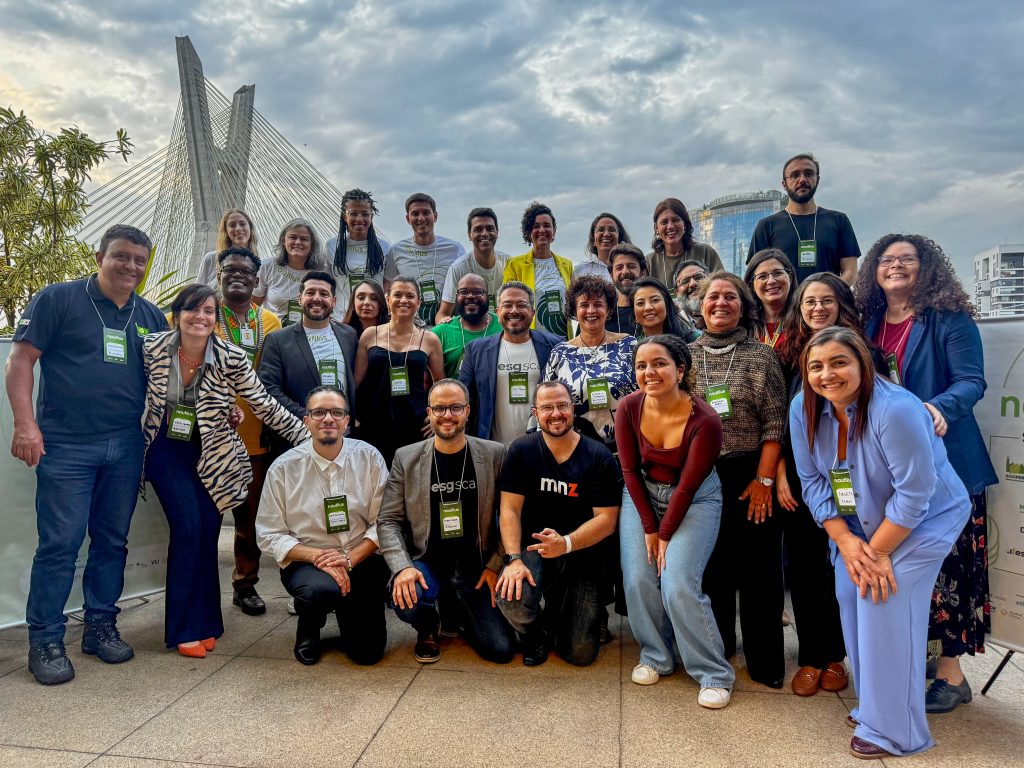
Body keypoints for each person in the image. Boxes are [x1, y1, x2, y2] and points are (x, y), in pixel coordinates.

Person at [790, 326, 970, 759]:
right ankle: (875, 705)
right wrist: (847, 543)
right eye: (816, 366)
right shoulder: (803, 407)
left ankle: (896, 731)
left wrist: (877, 552)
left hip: (922, 521)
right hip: (855, 524)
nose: (826, 374)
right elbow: (812, 480)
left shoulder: (896, 409)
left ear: (862, 365)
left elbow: (914, 496)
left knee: (881, 600)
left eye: (838, 363)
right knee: (849, 595)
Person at [7, 224, 168, 685]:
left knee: (112, 541)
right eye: (121, 256)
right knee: (59, 544)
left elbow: (171, 377)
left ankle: (100, 626)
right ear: (100, 256)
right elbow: (20, 360)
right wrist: (25, 424)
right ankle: (46, 639)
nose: (131, 266)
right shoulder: (57, 299)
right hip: (66, 445)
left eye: (139, 260)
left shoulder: (150, 316)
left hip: (125, 443)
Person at [855, 233, 998, 713]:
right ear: (874, 270)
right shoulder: (869, 322)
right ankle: (922, 661)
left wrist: (935, 408)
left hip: (947, 463)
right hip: (892, 469)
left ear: (927, 267)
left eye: (907, 259)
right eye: (887, 260)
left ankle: (952, 675)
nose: (895, 266)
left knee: (952, 569)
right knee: (908, 569)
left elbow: (972, 381)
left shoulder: (947, 319)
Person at [142, 284, 307, 657]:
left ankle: (206, 622)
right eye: (192, 310)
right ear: (176, 314)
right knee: (187, 527)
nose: (200, 317)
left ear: (216, 319)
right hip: (166, 450)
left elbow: (263, 404)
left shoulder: (230, 356)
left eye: (208, 311)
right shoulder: (152, 348)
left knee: (207, 531)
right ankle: (183, 629)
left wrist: (308, 439)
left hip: (212, 452)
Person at [615, 335, 736, 708]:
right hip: (642, 495)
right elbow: (629, 472)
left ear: (680, 370)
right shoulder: (628, 407)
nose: (649, 372)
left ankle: (714, 672)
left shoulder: (706, 419)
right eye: (641, 365)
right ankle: (656, 655)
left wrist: (664, 534)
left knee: (678, 581)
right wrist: (650, 527)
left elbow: (687, 486)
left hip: (695, 497)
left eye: (660, 364)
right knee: (638, 578)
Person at [691, 272, 788, 688]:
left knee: (760, 573)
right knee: (711, 570)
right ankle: (719, 649)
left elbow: (775, 423)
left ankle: (765, 661)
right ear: (700, 306)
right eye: (713, 296)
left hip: (751, 473)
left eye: (730, 296)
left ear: (743, 306)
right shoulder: (686, 356)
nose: (721, 303)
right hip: (701, 475)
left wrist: (764, 480)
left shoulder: (762, 357)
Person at [378, 379, 516, 663]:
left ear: (467, 411)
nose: (447, 415)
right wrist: (402, 567)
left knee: (501, 650)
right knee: (406, 596)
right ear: (428, 413)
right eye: (439, 408)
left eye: (455, 407)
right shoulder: (407, 457)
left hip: (476, 566)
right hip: (427, 561)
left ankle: (459, 609)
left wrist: (495, 564)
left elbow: (510, 514)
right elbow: (388, 520)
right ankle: (427, 623)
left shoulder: (494, 453)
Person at [256, 386, 391, 665]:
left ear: (347, 421)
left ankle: (348, 612)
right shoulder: (283, 468)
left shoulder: (370, 458)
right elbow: (268, 534)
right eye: (318, 412)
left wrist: (349, 559)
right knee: (319, 590)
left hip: (361, 556)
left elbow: (385, 521)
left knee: (367, 654)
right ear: (307, 421)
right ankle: (309, 625)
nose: (327, 418)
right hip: (309, 562)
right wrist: (318, 557)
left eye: (336, 412)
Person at [496, 381, 622, 666]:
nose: (556, 413)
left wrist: (565, 543)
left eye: (562, 405)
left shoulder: (598, 455)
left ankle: (566, 608)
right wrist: (513, 559)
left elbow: (607, 520)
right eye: (547, 407)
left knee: (579, 653)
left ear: (573, 409)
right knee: (511, 598)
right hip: (533, 548)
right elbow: (510, 510)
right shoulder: (521, 450)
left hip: (582, 551)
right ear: (535, 413)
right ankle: (536, 634)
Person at [770, 271, 853, 696]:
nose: (818, 309)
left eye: (826, 301)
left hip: (851, 476)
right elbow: (779, 420)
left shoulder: (860, 351)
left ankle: (836, 655)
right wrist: (780, 472)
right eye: (809, 302)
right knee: (803, 567)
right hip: (800, 476)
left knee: (839, 563)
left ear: (841, 304)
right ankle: (809, 655)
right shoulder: (786, 354)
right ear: (798, 310)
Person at [212, 246, 283, 617]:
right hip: (207, 436)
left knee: (247, 519)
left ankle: (245, 584)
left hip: (256, 435)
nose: (237, 276)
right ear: (219, 275)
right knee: (204, 517)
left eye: (245, 272)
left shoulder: (270, 322)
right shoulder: (204, 315)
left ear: (257, 280)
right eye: (229, 270)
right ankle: (200, 589)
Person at [354, 277, 445, 466]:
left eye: (410, 296)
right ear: (387, 300)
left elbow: (440, 384)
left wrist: (436, 415)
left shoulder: (430, 339)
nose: (403, 300)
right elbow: (356, 382)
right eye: (397, 295)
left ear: (418, 302)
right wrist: (351, 414)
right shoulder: (370, 335)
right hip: (373, 424)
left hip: (415, 426)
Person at [459, 281, 562, 445]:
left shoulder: (556, 346)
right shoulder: (475, 350)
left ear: (533, 312)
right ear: (497, 311)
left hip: (545, 448)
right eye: (507, 305)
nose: (514, 311)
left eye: (521, 305)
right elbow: (463, 398)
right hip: (493, 450)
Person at [544, 275, 637, 450]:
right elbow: (545, 402)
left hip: (628, 446)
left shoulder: (628, 345)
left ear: (609, 310)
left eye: (598, 304)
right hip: (576, 449)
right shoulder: (561, 353)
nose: (591, 310)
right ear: (574, 311)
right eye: (584, 305)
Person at [258, 271, 358, 422]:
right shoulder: (277, 340)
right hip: (299, 433)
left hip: (344, 432)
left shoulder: (349, 335)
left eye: (324, 294)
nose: (317, 298)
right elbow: (269, 388)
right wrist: (309, 417)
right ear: (300, 299)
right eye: (310, 292)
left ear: (334, 301)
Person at [748, 153, 860, 285]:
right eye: (795, 175)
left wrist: (830, 295)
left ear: (817, 179)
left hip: (826, 304)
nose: (802, 179)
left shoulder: (839, 220)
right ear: (784, 184)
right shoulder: (767, 226)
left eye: (808, 173)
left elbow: (850, 272)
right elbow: (755, 275)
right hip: (784, 305)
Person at [385, 193, 466, 327]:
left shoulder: (454, 248)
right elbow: (388, 287)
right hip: (410, 327)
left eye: (426, 213)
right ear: (408, 218)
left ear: (435, 216)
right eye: (415, 213)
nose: (421, 218)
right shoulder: (397, 250)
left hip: (447, 325)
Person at [502, 201, 574, 339]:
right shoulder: (514, 265)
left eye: (547, 225)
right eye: (536, 226)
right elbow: (508, 306)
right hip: (530, 339)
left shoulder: (567, 265)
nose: (542, 230)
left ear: (554, 231)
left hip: (563, 340)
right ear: (529, 232)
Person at [324, 188, 392, 321]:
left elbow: (387, 283)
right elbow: (327, 283)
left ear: (371, 216)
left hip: (374, 321)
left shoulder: (384, 248)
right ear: (345, 216)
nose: (359, 219)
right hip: (341, 320)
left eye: (365, 214)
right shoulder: (332, 246)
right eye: (353, 213)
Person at [437, 207, 507, 323]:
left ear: (497, 232)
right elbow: (443, 313)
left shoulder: (508, 263)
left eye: (490, 228)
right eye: (478, 229)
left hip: (499, 331)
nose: (484, 234)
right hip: (468, 331)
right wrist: (446, 326)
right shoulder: (458, 268)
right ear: (469, 235)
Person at [253, 218, 324, 323]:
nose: (298, 242)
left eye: (304, 239)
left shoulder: (321, 271)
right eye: (293, 237)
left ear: (312, 244)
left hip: (307, 333)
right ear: (283, 240)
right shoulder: (266, 266)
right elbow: (253, 306)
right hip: (272, 332)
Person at [431, 274, 502, 377]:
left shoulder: (503, 326)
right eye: (463, 292)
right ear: (456, 296)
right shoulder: (439, 333)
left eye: (477, 292)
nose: (470, 296)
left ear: (488, 296)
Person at [647, 198, 724, 288]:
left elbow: (722, 285)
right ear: (656, 228)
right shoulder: (649, 262)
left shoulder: (705, 252)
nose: (670, 226)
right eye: (664, 222)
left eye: (675, 220)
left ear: (685, 224)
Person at [744, 249, 796, 354]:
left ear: (789, 277)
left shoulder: (804, 319)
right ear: (751, 285)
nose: (771, 281)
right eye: (762, 276)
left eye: (777, 273)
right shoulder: (744, 324)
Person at [195, 208, 259, 288]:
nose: (238, 229)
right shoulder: (211, 258)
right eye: (232, 225)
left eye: (242, 224)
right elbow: (197, 293)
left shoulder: (259, 265)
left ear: (250, 228)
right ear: (226, 231)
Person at [631, 276, 698, 342]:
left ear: (667, 305)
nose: (648, 307)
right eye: (640, 303)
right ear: (634, 313)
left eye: (655, 300)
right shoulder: (631, 349)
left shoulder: (694, 340)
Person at [573, 212, 632, 282]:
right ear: (593, 240)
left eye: (612, 229)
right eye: (601, 230)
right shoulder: (581, 269)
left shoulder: (632, 268)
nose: (606, 234)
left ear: (619, 238)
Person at [607, 244, 649, 334]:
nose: (625, 272)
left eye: (631, 266)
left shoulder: (654, 310)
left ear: (643, 273)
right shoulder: (603, 314)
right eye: (619, 268)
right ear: (611, 275)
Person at [671, 260, 707, 325]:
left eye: (699, 277)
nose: (693, 284)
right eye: (685, 281)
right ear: (676, 293)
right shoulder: (672, 325)